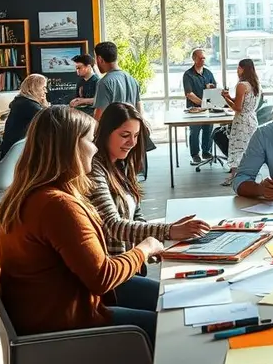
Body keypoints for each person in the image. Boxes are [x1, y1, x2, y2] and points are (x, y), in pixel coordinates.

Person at [0, 106, 164, 364]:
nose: (95, 148)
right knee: (169, 334)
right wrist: (145, 248)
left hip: (49, 314)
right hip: (68, 325)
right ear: (69, 148)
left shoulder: (30, 194)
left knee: (165, 300)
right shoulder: (57, 206)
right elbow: (102, 277)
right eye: (89, 140)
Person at [89, 103, 211, 256]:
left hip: (133, 260)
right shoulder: (94, 168)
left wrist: (160, 238)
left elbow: (136, 215)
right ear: (106, 133)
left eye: (135, 136)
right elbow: (113, 226)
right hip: (116, 265)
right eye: (125, 135)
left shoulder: (123, 164)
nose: (132, 143)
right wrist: (169, 231)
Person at [221, 59, 262, 187]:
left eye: (238, 68)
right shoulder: (255, 84)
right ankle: (249, 175)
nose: (237, 71)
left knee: (237, 149)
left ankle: (234, 177)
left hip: (241, 121)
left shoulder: (241, 85)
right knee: (248, 149)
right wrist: (229, 97)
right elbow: (242, 101)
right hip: (252, 119)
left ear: (243, 69)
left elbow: (238, 107)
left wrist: (226, 99)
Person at [182, 48, 219, 165]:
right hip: (194, 110)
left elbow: (214, 89)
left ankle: (206, 152)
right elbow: (189, 94)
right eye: (200, 58)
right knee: (195, 132)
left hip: (207, 109)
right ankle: (195, 154)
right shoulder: (188, 74)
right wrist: (203, 103)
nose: (203, 60)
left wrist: (211, 88)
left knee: (208, 130)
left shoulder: (208, 73)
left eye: (204, 58)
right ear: (194, 59)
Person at [0, 74, 49, 157]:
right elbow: (50, 121)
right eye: (43, 88)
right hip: (18, 157)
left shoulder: (21, 101)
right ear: (34, 88)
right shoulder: (30, 105)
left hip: (14, 154)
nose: (46, 91)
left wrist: (44, 103)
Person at [93, 41, 142, 121]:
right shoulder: (133, 80)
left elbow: (99, 116)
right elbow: (139, 110)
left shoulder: (104, 83)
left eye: (95, 59)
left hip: (113, 128)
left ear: (100, 59)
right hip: (131, 127)